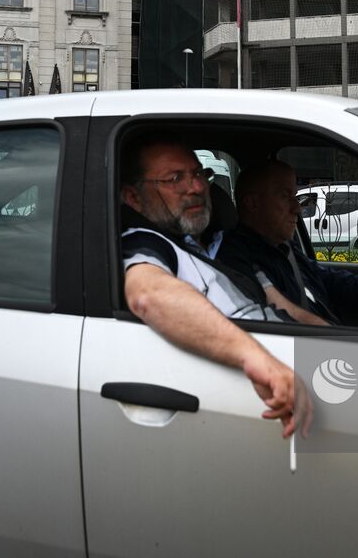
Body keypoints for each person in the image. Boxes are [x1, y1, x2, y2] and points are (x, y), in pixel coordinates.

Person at [120, 135, 313, 437]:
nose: (196, 187)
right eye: (174, 179)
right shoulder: (145, 242)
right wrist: (256, 358)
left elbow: (284, 307)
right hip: (272, 379)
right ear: (133, 197)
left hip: (301, 359)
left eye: (198, 174)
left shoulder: (206, 249)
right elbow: (148, 293)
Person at [220, 159, 358, 328]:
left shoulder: (285, 250)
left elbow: (340, 284)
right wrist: (340, 343)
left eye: (295, 196)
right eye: (285, 197)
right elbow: (280, 313)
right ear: (253, 203)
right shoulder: (237, 259)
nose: (298, 208)